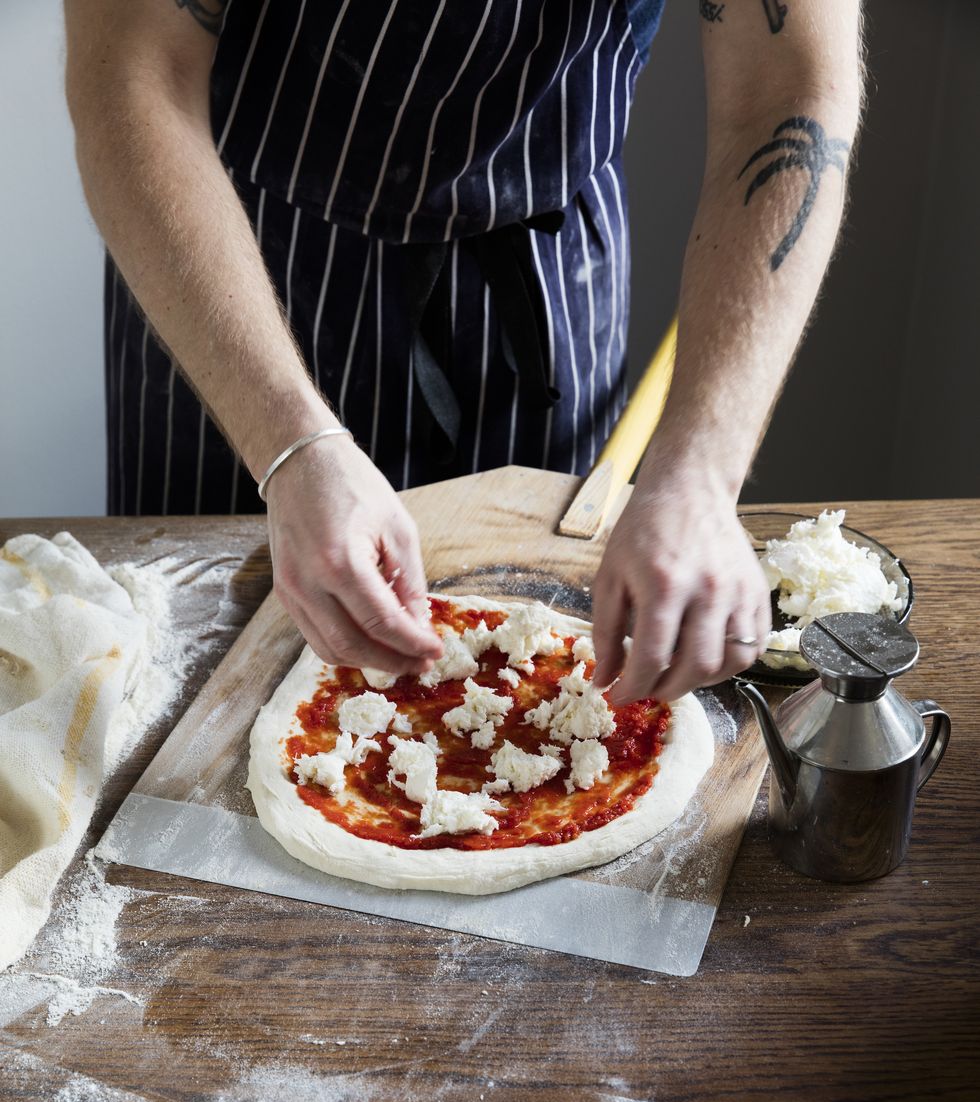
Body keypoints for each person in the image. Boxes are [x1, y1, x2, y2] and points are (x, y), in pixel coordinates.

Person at [64, 0, 862, 703]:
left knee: (547, 693)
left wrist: (700, 473)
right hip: (236, 274)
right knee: (181, 688)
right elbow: (134, 76)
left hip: (544, 283)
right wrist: (292, 446)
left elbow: (786, 92)